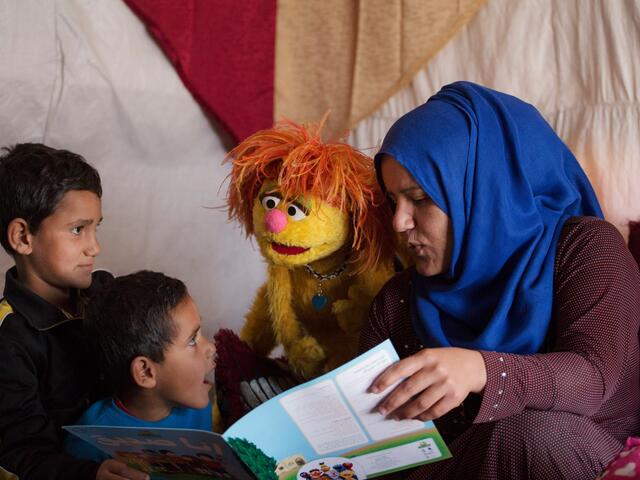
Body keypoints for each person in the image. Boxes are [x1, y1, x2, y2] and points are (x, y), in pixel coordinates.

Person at [361, 82, 640, 479]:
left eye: (420, 198)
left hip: (587, 458)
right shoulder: (398, 303)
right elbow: (371, 444)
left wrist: (482, 371)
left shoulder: (587, 250)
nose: (399, 222)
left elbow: (594, 378)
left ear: (485, 190)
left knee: (531, 432)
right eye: (394, 201)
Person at [0, 143, 148, 479]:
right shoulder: (9, 339)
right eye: (78, 229)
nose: (95, 247)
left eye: (96, 228)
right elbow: (22, 451)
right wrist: (89, 475)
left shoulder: (105, 292)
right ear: (23, 237)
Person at [64, 270, 217, 463]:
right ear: (145, 372)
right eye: (193, 340)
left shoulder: (198, 406)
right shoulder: (90, 441)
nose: (211, 347)